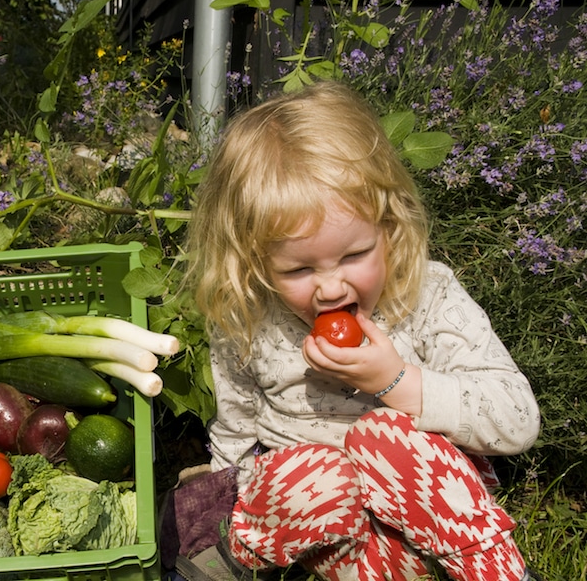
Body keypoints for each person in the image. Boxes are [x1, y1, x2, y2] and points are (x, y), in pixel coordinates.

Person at [176, 80, 541, 581]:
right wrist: (228, 504)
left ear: (389, 228)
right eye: (299, 270)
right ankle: (245, 553)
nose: (330, 289)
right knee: (316, 476)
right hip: (319, 522)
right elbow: (236, 427)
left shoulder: (425, 295)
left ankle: (495, 571)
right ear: (253, 263)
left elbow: (517, 418)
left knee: (382, 436)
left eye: (353, 255)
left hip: (431, 514)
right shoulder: (248, 314)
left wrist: (396, 381)